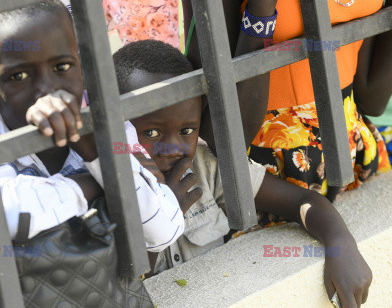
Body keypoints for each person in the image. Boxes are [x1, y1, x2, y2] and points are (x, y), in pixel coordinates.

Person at [112, 39, 372, 308]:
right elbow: (119, 291)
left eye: (187, 131)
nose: (173, 148)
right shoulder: (100, 194)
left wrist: (340, 244)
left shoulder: (205, 169)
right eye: (151, 133)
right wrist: (160, 223)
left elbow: (302, 203)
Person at [0, 0, 187, 252]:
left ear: (82, 70)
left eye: (62, 67)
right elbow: (6, 219)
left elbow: (164, 232)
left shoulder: (107, 125)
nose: (47, 90)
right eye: (19, 76)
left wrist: (93, 148)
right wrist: (99, 182)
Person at [181, 0, 392, 202]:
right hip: (269, 185)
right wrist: (261, 8)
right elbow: (217, 137)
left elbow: (371, 100)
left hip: (355, 162)